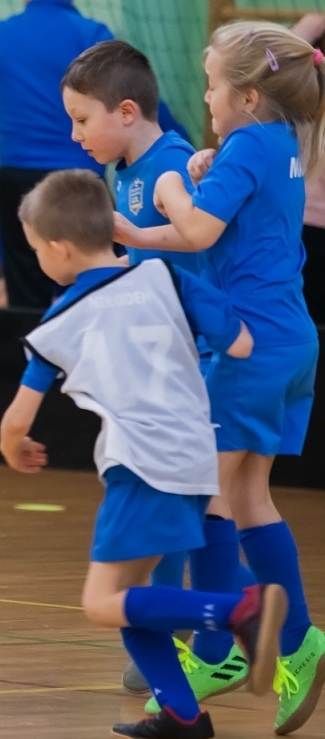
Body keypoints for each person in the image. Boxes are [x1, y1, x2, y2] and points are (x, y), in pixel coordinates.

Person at [0, 169, 282, 739]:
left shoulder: (59, 322)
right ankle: (181, 714)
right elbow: (242, 344)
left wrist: (15, 449)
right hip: (197, 455)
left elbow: (16, 422)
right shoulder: (166, 277)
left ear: (59, 249)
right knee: (135, 598)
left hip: (142, 467)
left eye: (35, 250)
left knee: (101, 602)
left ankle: (237, 612)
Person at [115, 20, 324, 735]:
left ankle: (220, 648)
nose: (204, 97)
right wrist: (142, 234)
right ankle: (297, 645)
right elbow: (221, 224)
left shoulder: (245, 145)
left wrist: (171, 185)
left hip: (249, 343)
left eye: (210, 86)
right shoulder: (280, 143)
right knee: (245, 493)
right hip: (291, 338)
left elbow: (199, 232)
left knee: (204, 496)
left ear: (248, 97)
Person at [61, 38, 256, 701]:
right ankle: (205, 633)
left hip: (192, 362)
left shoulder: (170, 164)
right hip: (159, 365)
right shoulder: (125, 169)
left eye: (82, 120)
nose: (74, 133)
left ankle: (214, 637)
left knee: (183, 502)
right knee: (184, 503)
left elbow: (193, 254)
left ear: (124, 111)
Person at [0, 0, 188, 308]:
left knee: (24, 286)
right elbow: (133, 92)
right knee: (100, 277)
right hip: (80, 180)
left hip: (17, 174)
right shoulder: (93, 33)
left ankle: (33, 359)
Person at [292, 12, 325, 323]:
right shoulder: (303, 110)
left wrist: (311, 25)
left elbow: (276, 62)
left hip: (299, 228)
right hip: (305, 229)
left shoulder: (299, 107)